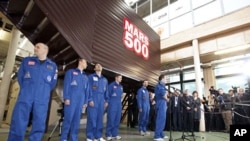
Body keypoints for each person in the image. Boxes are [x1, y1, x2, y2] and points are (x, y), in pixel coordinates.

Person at [8, 43, 58, 141]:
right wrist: (27, 88)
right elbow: (20, 77)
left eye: (38, 47)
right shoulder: (27, 61)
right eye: (35, 46)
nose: (35, 48)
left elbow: (52, 83)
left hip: (42, 97)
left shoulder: (52, 66)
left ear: (45, 50)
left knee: (39, 122)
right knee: (19, 119)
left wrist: (43, 91)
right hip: (26, 94)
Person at [60, 59, 89, 141]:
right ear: (80, 62)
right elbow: (66, 86)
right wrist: (66, 98)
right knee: (68, 119)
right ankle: (64, 138)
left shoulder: (85, 77)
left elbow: (87, 90)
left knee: (76, 121)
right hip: (71, 100)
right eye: (85, 62)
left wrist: (85, 101)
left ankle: (73, 138)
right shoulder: (71, 72)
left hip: (80, 101)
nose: (87, 64)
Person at [86, 63, 109, 141]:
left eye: (100, 65)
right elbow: (88, 89)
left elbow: (106, 91)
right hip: (93, 100)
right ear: (94, 69)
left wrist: (106, 100)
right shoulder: (90, 77)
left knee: (100, 119)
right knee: (92, 118)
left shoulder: (105, 80)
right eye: (97, 65)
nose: (99, 66)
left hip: (101, 101)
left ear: (102, 68)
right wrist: (90, 99)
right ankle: (89, 136)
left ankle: (98, 136)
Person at [106, 74, 124, 140]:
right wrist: (107, 102)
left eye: (121, 78)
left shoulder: (121, 87)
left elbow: (121, 96)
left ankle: (114, 134)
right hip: (112, 104)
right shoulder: (111, 85)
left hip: (119, 105)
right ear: (116, 78)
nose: (121, 79)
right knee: (111, 120)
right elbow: (107, 95)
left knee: (117, 120)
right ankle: (108, 134)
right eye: (120, 78)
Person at [153, 75, 169, 141]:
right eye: (165, 78)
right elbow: (164, 96)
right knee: (160, 119)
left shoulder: (163, 86)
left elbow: (165, 94)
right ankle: (157, 136)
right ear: (162, 79)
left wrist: (166, 94)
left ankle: (161, 134)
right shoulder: (159, 86)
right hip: (161, 103)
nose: (166, 80)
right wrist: (167, 99)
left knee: (163, 119)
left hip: (163, 103)